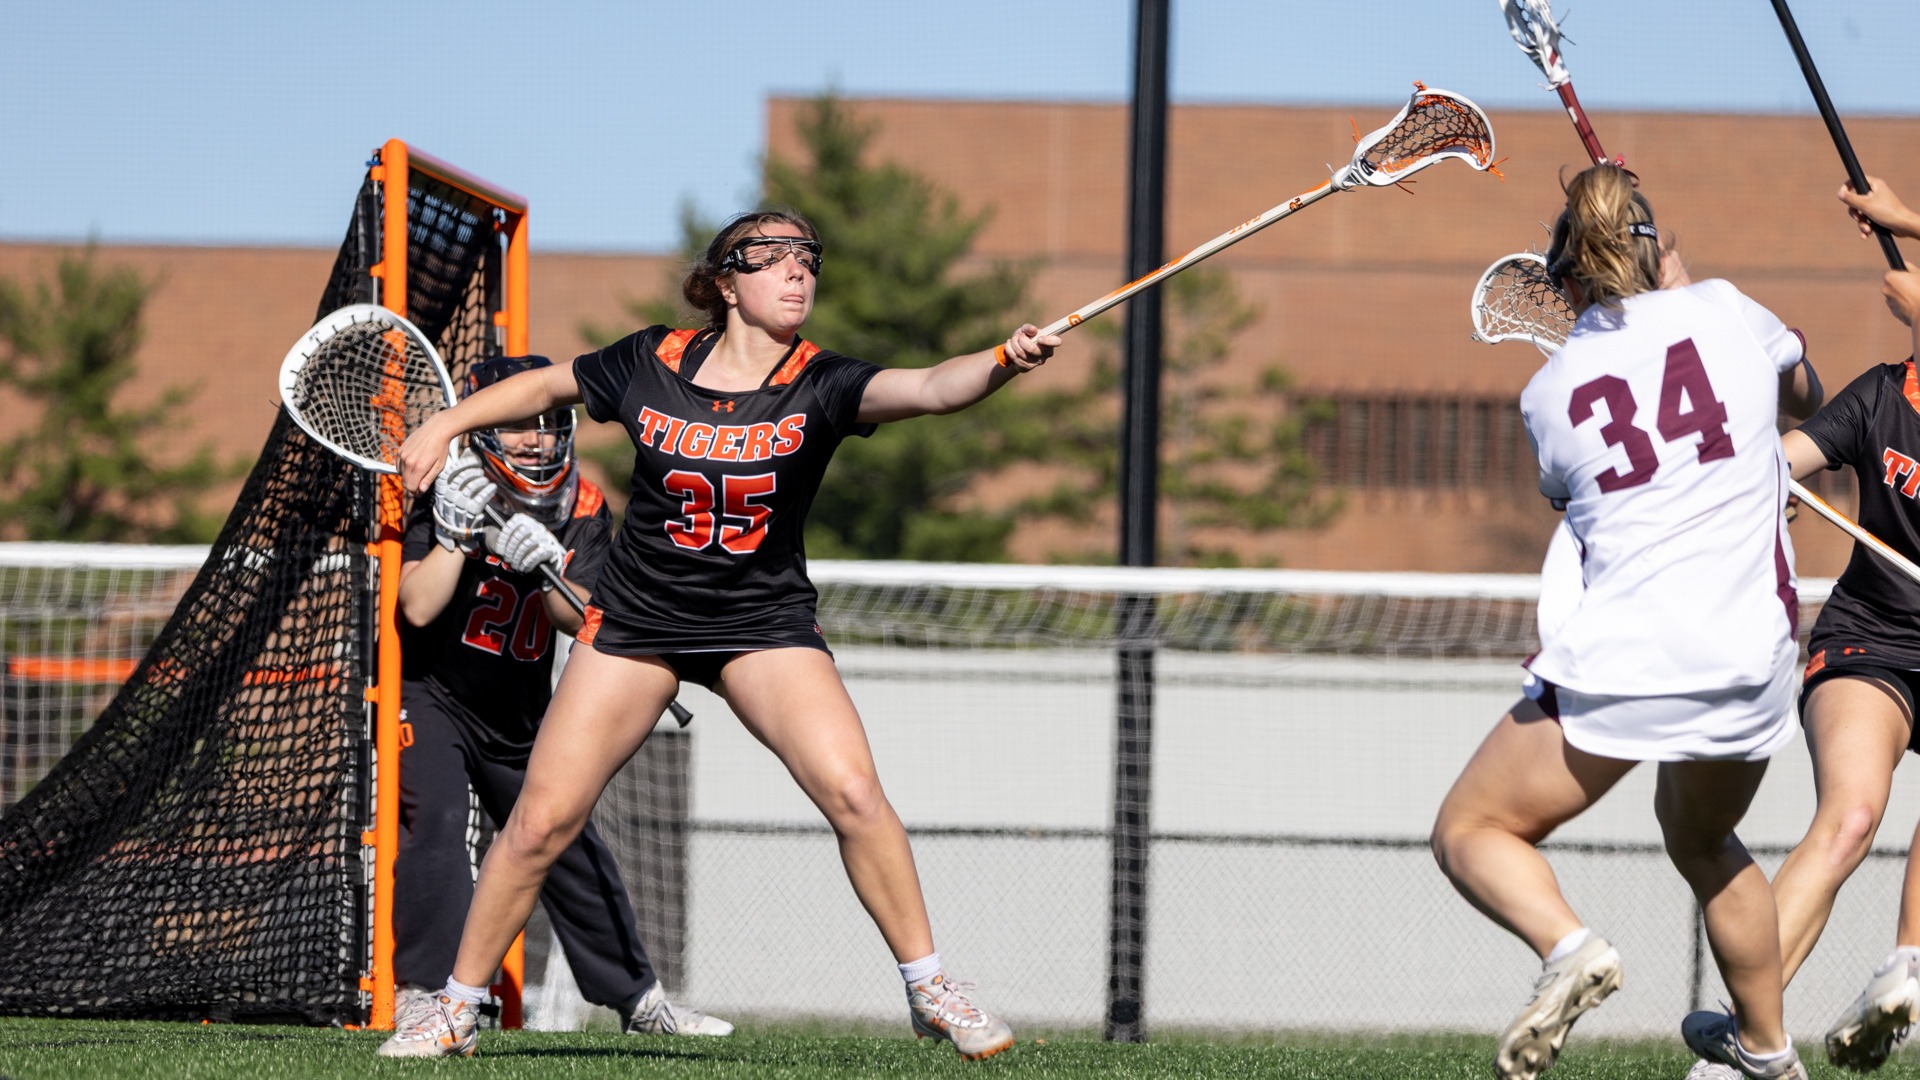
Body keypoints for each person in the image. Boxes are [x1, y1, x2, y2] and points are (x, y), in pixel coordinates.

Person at [376, 209, 1059, 1060]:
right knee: (542, 823)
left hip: (761, 624)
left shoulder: (823, 381)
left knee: (852, 792)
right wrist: (444, 423)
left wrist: (1003, 360)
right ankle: (454, 1007)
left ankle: (929, 987)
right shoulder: (651, 360)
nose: (798, 273)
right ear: (726, 282)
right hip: (638, 623)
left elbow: (930, 387)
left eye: (808, 259)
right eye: (773, 259)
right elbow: (547, 387)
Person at [1428, 164, 1825, 1080]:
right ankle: (1767, 1057)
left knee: (1472, 830)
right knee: (1704, 841)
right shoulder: (1729, 309)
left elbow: (1573, 492)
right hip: (1751, 655)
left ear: (1566, 284)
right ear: (1658, 249)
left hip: (1628, 655)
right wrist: (1693, 295)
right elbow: (1805, 395)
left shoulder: (1548, 393)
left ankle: (1569, 947)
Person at [377, 355, 731, 1057]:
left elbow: (585, 621)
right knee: (440, 829)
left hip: (520, 707)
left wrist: (543, 570)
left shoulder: (583, 504)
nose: (535, 439)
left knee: (564, 840)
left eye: (547, 423)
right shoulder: (443, 486)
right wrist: (455, 536)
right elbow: (415, 609)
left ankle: (637, 997)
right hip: (434, 694)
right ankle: (425, 995)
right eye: (516, 426)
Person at [1743, 175, 1920, 1075]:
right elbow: (1780, 463)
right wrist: (1767, 487)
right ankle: (1747, 1042)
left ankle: (1907, 969)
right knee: (1849, 818)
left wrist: (1904, 220)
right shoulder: (1880, 396)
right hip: (1874, 638)